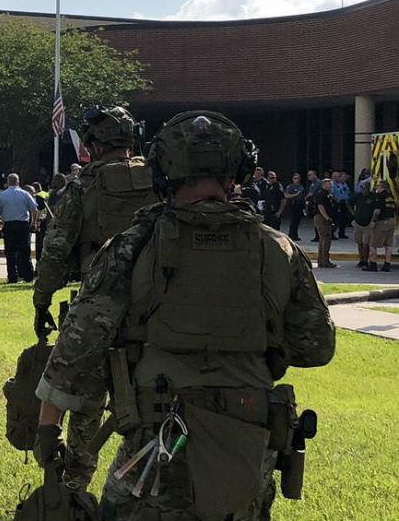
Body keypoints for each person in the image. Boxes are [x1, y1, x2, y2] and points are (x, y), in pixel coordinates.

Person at [34, 111, 335, 521]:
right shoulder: (277, 249)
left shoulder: (133, 246)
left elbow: (77, 346)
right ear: (237, 173)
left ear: (163, 171)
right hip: (247, 443)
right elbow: (316, 347)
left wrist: (48, 428)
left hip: (156, 442)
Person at [31, 105, 159, 490]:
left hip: (97, 306)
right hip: (157, 309)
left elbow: (55, 252)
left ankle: (74, 487)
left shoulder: (81, 187)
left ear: (93, 144)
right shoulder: (160, 181)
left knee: (85, 402)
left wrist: (41, 301)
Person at [0, 174, 37, 283]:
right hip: (22, 225)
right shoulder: (25, 194)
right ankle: (28, 276)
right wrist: (33, 222)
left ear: (8, 182)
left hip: (9, 225)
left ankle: (12, 276)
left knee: (10, 252)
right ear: (18, 182)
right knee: (25, 251)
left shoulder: (2, 195)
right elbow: (34, 209)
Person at [365, 180, 397, 272]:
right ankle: (387, 264)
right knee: (388, 245)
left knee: (373, 244)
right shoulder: (391, 197)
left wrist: (373, 221)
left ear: (381, 187)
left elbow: (377, 210)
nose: (376, 188)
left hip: (382, 222)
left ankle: (373, 264)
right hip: (391, 221)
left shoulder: (379, 196)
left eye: (378, 186)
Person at [349, 180, 376, 267]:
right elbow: (348, 202)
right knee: (359, 242)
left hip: (368, 224)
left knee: (366, 243)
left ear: (368, 188)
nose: (362, 189)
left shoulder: (373, 197)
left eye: (364, 187)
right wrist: (352, 212)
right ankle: (361, 260)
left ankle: (365, 260)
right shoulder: (357, 196)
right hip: (358, 222)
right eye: (361, 187)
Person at [314, 178, 337, 268]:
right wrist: (327, 218)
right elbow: (320, 207)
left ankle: (321, 260)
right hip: (321, 218)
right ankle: (325, 260)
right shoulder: (321, 194)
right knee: (326, 239)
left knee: (323, 239)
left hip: (324, 217)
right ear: (324, 184)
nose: (331, 186)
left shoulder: (328, 194)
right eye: (329, 184)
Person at [284, 173, 305, 241]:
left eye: (298, 178)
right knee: (293, 221)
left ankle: (295, 235)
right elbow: (287, 196)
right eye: (295, 178)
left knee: (297, 221)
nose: (296, 180)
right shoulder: (290, 186)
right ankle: (291, 235)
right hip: (293, 204)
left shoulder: (301, 186)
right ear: (292, 179)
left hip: (299, 205)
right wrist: (296, 194)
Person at [331, 170, 350, 239]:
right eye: (340, 177)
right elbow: (331, 193)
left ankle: (342, 233)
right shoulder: (332, 184)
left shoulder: (344, 184)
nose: (344, 178)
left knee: (344, 219)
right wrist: (336, 200)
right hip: (336, 203)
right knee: (336, 219)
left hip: (344, 202)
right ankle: (332, 233)